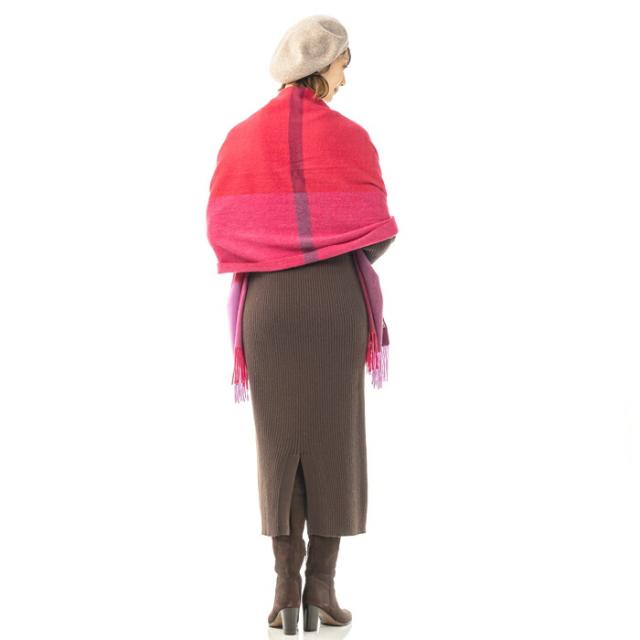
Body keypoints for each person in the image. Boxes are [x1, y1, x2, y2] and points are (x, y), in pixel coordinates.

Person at [206, 15, 398, 635]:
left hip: (266, 308)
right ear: (323, 65)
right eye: (343, 65)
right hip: (335, 302)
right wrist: (327, 248)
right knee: (335, 440)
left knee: (279, 443)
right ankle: (322, 591)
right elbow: (377, 232)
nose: (345, 78)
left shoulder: (240, 139)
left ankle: (284, 590)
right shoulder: (352, 138)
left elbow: (222, 230)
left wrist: (276, 247)